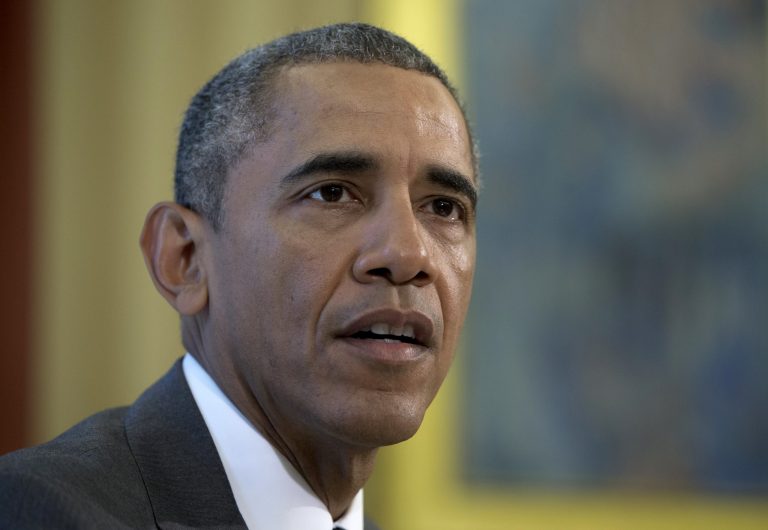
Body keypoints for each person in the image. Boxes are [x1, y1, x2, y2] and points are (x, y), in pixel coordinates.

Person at [0, 22, 477, 529]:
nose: (408, 254)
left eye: (444, 207)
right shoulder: (42, 512)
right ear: (184, 259)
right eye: (333, 193)